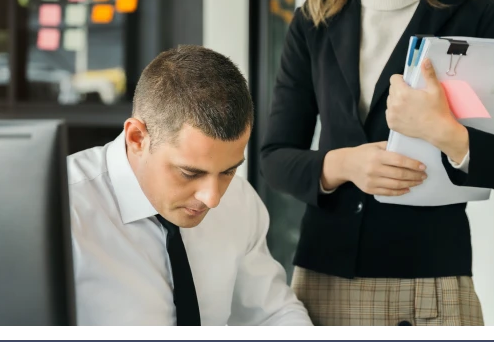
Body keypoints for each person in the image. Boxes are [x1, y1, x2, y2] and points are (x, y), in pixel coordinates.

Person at [260, 0, 494, 327]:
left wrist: (448, 134)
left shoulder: (479, 15)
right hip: (325, 284)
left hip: (433, 289)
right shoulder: (313, 19)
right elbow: (273, 158)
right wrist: (344, 165)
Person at [69, 45, 312, 327]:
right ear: (137, 138)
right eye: (189, 173)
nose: (212, 198)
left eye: (228, 171)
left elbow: (272, 315)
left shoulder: (240, 201)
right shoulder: (62, 210)